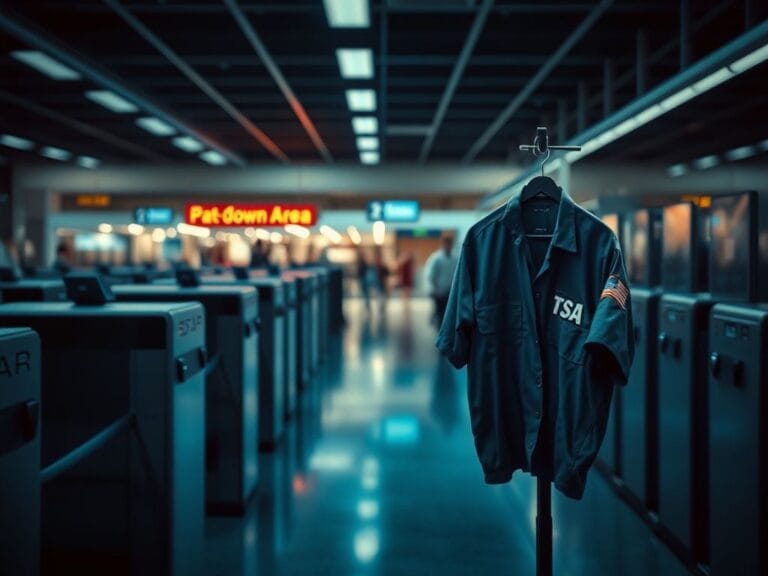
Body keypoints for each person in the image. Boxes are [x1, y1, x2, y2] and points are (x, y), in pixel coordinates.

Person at [427, 235, 458, 326]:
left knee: (448, 314)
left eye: (450, 244)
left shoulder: (455, 258)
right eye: (446, 244)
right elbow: (432, 276)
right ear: (443, 244)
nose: (448, 246)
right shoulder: (437, 258)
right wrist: (435, 288)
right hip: (439, 291)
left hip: (451, 291)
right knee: (441, 314)